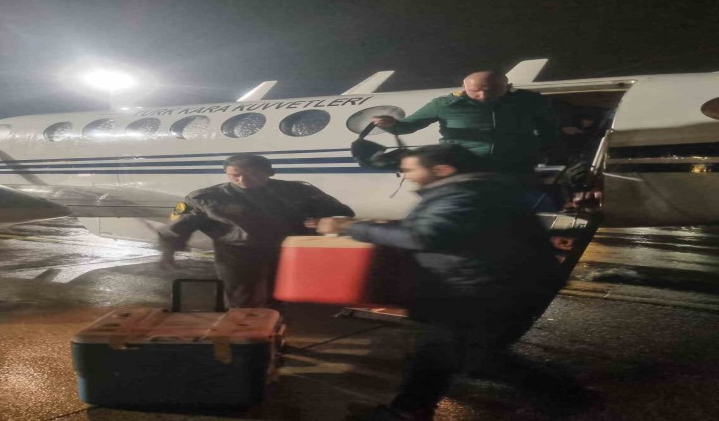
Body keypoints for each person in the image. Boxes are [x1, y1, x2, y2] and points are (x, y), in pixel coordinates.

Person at [317, 145, 564, 421]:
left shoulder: (465, 194)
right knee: (435, 355)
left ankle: (571, 398)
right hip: (480, 284)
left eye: (410, 169)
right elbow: (442, 228)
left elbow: (426, 236)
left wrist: (349, 227)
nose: (406, 175)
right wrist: (388, 226)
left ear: (442, 170)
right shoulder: (471, 189)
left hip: (487, 291)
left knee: (472, 359)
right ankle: (407, 411)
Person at [158, 153, 354, 308]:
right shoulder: (207, 198)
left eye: (251, 174)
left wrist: (322, 221)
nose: (243, 180)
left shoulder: (299, 192)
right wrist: (168, 250)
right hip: (237, 253)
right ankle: (244, 339)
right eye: (235, 175)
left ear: (270, 172)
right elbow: (179, 226)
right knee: (242, 299)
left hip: (287, 250)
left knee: (280, 294)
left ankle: (274, 331)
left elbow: (340, 213)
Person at [372, 71, 558, 173]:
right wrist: (392, 125)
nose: (483, 96)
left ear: (507, 87)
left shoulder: (529, 101)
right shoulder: (444, 105)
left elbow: (548, 128)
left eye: (491, 90)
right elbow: (408, 126)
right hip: (466, 164)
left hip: (516, 163)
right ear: (464, 87)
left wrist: (548, 151)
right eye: (475, 91)